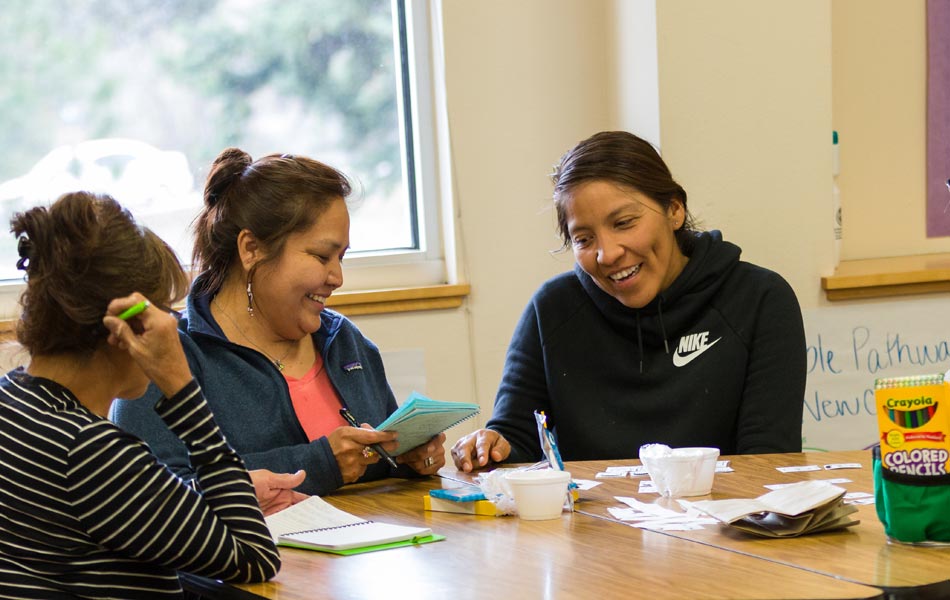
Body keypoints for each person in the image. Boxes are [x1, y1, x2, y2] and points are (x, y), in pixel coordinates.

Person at [452, 131, 806, 471]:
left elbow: (769, 464)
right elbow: (517, 438)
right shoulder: (552, 309)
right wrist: (491, 446)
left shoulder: (760, 300)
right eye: (584, 238)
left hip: (726, 525)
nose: (606, 254)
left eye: (623, 222)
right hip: (590, 529)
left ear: (674, 210)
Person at [112, 149, 445, 497]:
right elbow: (147, 499)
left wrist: (411, 457)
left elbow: (381, 459)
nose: (337, 277)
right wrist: (319, 463)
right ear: (251, 248)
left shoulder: (345, 340)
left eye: (342, 258)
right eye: (321, 256)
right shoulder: (169, 355)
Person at [0, 192, 280, 597]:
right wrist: (182, 388)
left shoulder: (12, 402)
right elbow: (255, 557)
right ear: (128, 327)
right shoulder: (92, 452)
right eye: (166, 310)